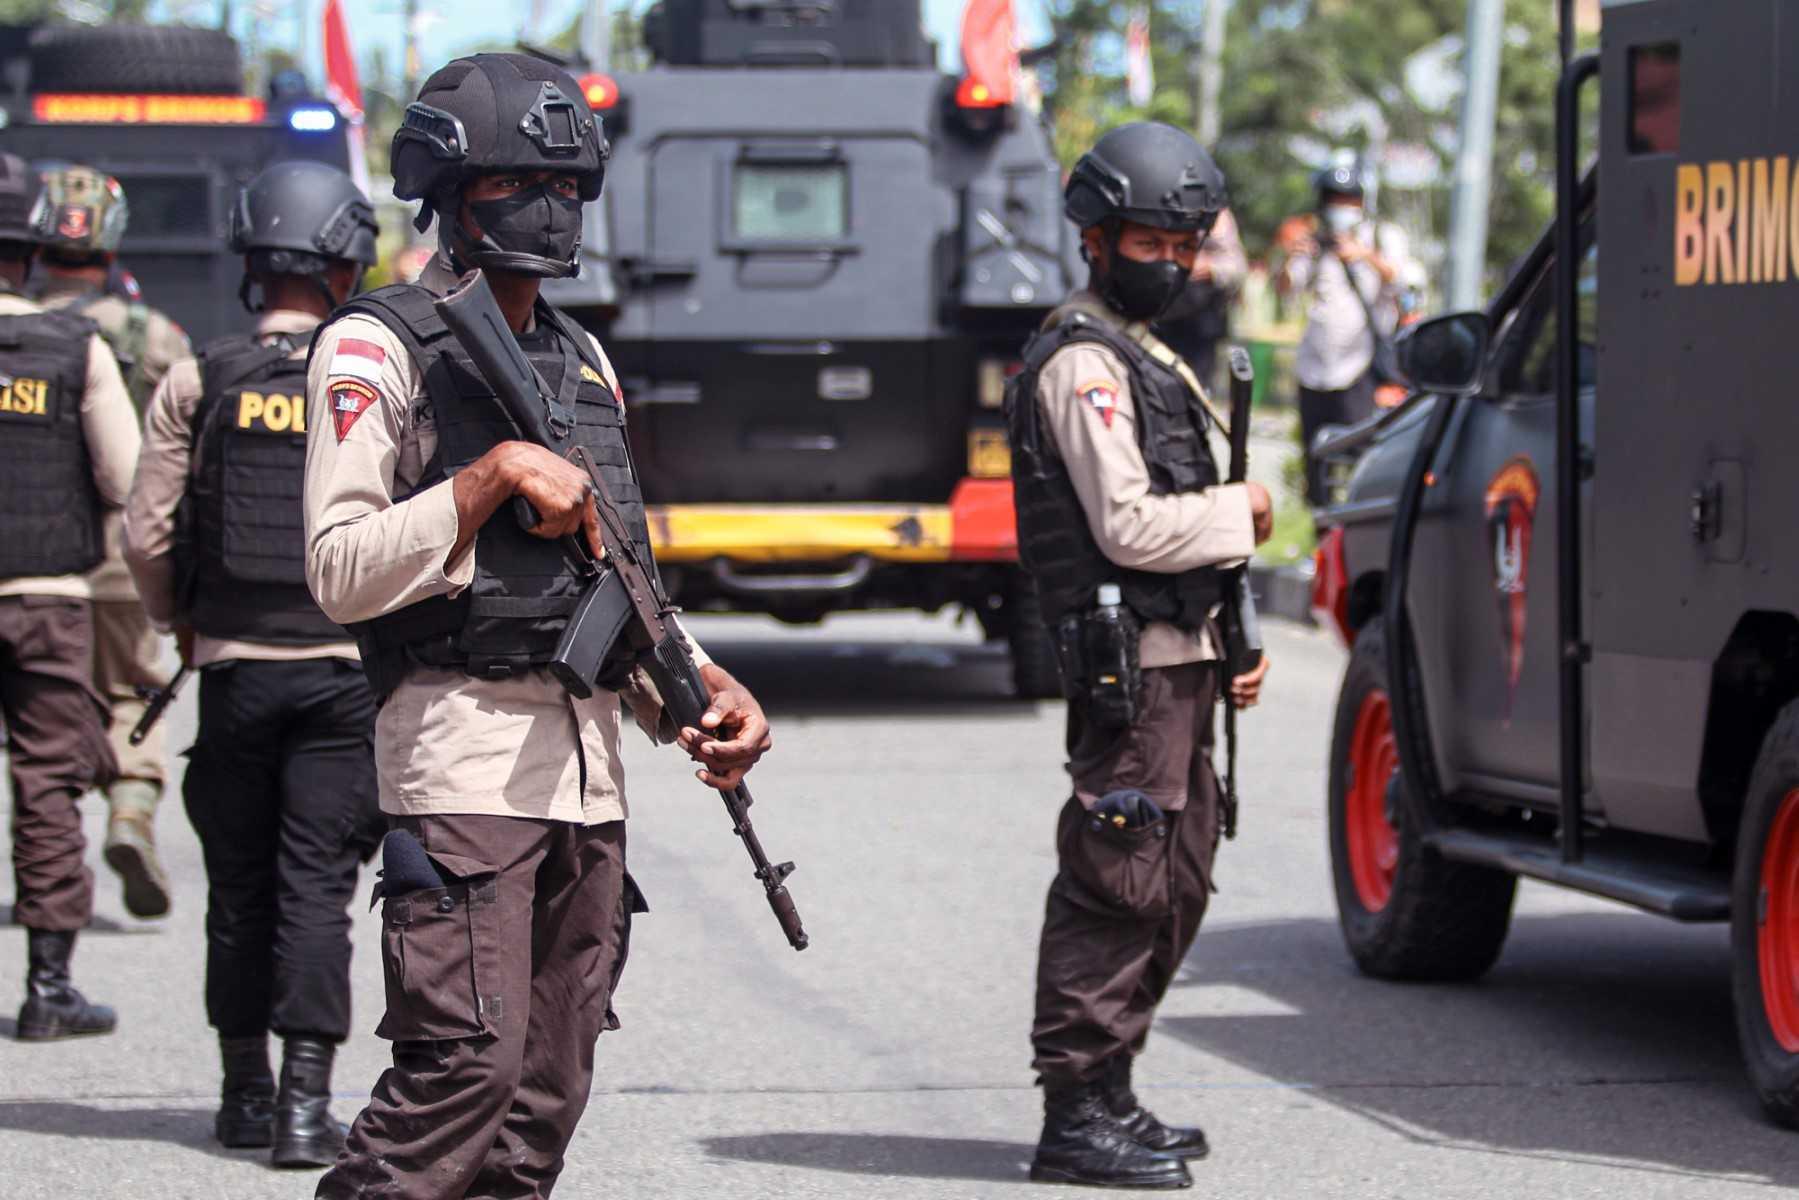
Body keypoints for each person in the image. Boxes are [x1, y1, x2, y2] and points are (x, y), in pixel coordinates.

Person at [303, 53, 774, 1198]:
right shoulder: (374, 347)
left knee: (543, 1099)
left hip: (587, 776)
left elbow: (620, 569)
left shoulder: (580, 356)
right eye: (515, 182)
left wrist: (700, 687)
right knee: (455, 1083)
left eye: (566, 185)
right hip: (461, 759)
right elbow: (337, 571)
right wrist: (484, 482)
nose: (548, 208)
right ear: (447, 192)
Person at [1004, 122, 1274, 1190]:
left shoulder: (1141, 354)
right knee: (1118, 882)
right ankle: (1073, 1112)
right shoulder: (1084, 364)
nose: (1172, 264)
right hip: (1132, 666)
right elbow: (1127, 526)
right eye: (1152, 245)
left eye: (1185, 247)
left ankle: (1112, 1089)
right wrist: (1244, 511)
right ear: (1098, 238)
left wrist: (1230, 638)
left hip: (1179, 652)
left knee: (1178, 879)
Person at [122, 160, 383, 1168]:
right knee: (316, 887)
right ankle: (303, 1110)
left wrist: (181, 624)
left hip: (233, 669)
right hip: (343, 674)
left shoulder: (202, 377)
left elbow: (147, 534)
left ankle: (241, 1096)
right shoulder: (373, 376)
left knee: (238, 891)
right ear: (345, 264)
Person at [0, 151, 140, 1040]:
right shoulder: (76, 347)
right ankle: (48, 988)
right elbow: (126, 478)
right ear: (30, 248)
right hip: (48, 599)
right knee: (48, 786)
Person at [36, 162, 193, 918]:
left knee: (39, 705)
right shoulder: (152, 334)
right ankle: (130, 806)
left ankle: (48, 846)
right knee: (133, 688)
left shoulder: (16, 330)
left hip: (29, 558)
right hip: (120, 557)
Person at [1278, 163, 1423, 507]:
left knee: (1362, 461)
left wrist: (1364, 255)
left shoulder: (1382, 238)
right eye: (1334, 199)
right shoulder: (1314, 243)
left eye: (1348, 199)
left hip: (1360, 367)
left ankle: (1356, 528)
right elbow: (1286, 288)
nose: (1340, 207)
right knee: (1317, 464)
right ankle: (1321, 533)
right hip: (1315, 368)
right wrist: (1289, 258)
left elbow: (1405, 285)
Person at [1153, 206, 1247, 391]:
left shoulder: (1217, 213)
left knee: (1196, 388)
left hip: (1199, 322)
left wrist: (1211, 268)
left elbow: (1237, 267)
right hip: (1158, 315)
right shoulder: (1153, 205)